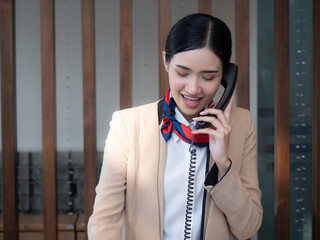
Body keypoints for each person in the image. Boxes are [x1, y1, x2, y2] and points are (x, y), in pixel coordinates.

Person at [88, 13, 263, 240]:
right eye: (183, 73)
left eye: (208, 77)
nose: (193, 89)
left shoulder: (242, 125)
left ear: (225, 76)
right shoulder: (128, 125)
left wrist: (223, 164)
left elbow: (248, 228)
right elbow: (104, 221)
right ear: (166, 61)